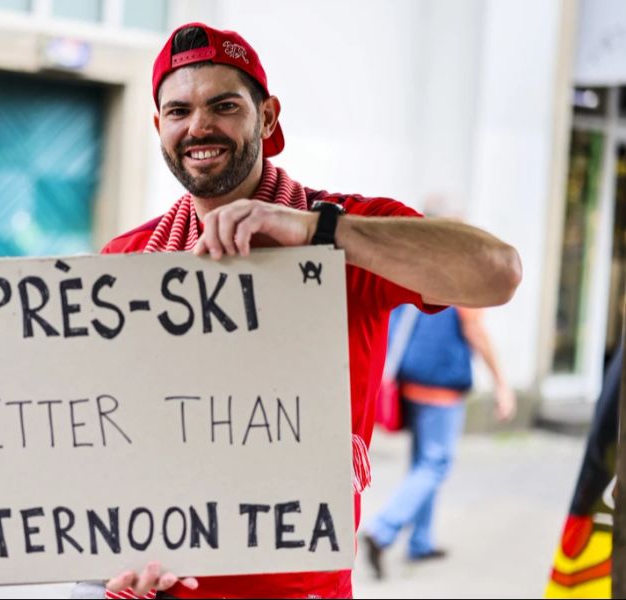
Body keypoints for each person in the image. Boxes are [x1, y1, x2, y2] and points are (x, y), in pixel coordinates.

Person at [95, 22, 522, 599]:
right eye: (178, 111)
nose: (199, 127)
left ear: (268, 117)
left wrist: (316, 230)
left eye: (224, 105)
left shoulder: (348, 229)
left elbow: (497, 273)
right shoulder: (126, 260)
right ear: (158, 126)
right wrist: (110, 560)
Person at [362, 305, 516, 580]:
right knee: (435, 465)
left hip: (412, 380)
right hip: (441, 385)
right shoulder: (461, 273)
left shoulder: (426, 265)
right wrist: (501, 383)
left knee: (421, 464)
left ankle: (421, 542)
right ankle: (381, 529)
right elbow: (475, 330)